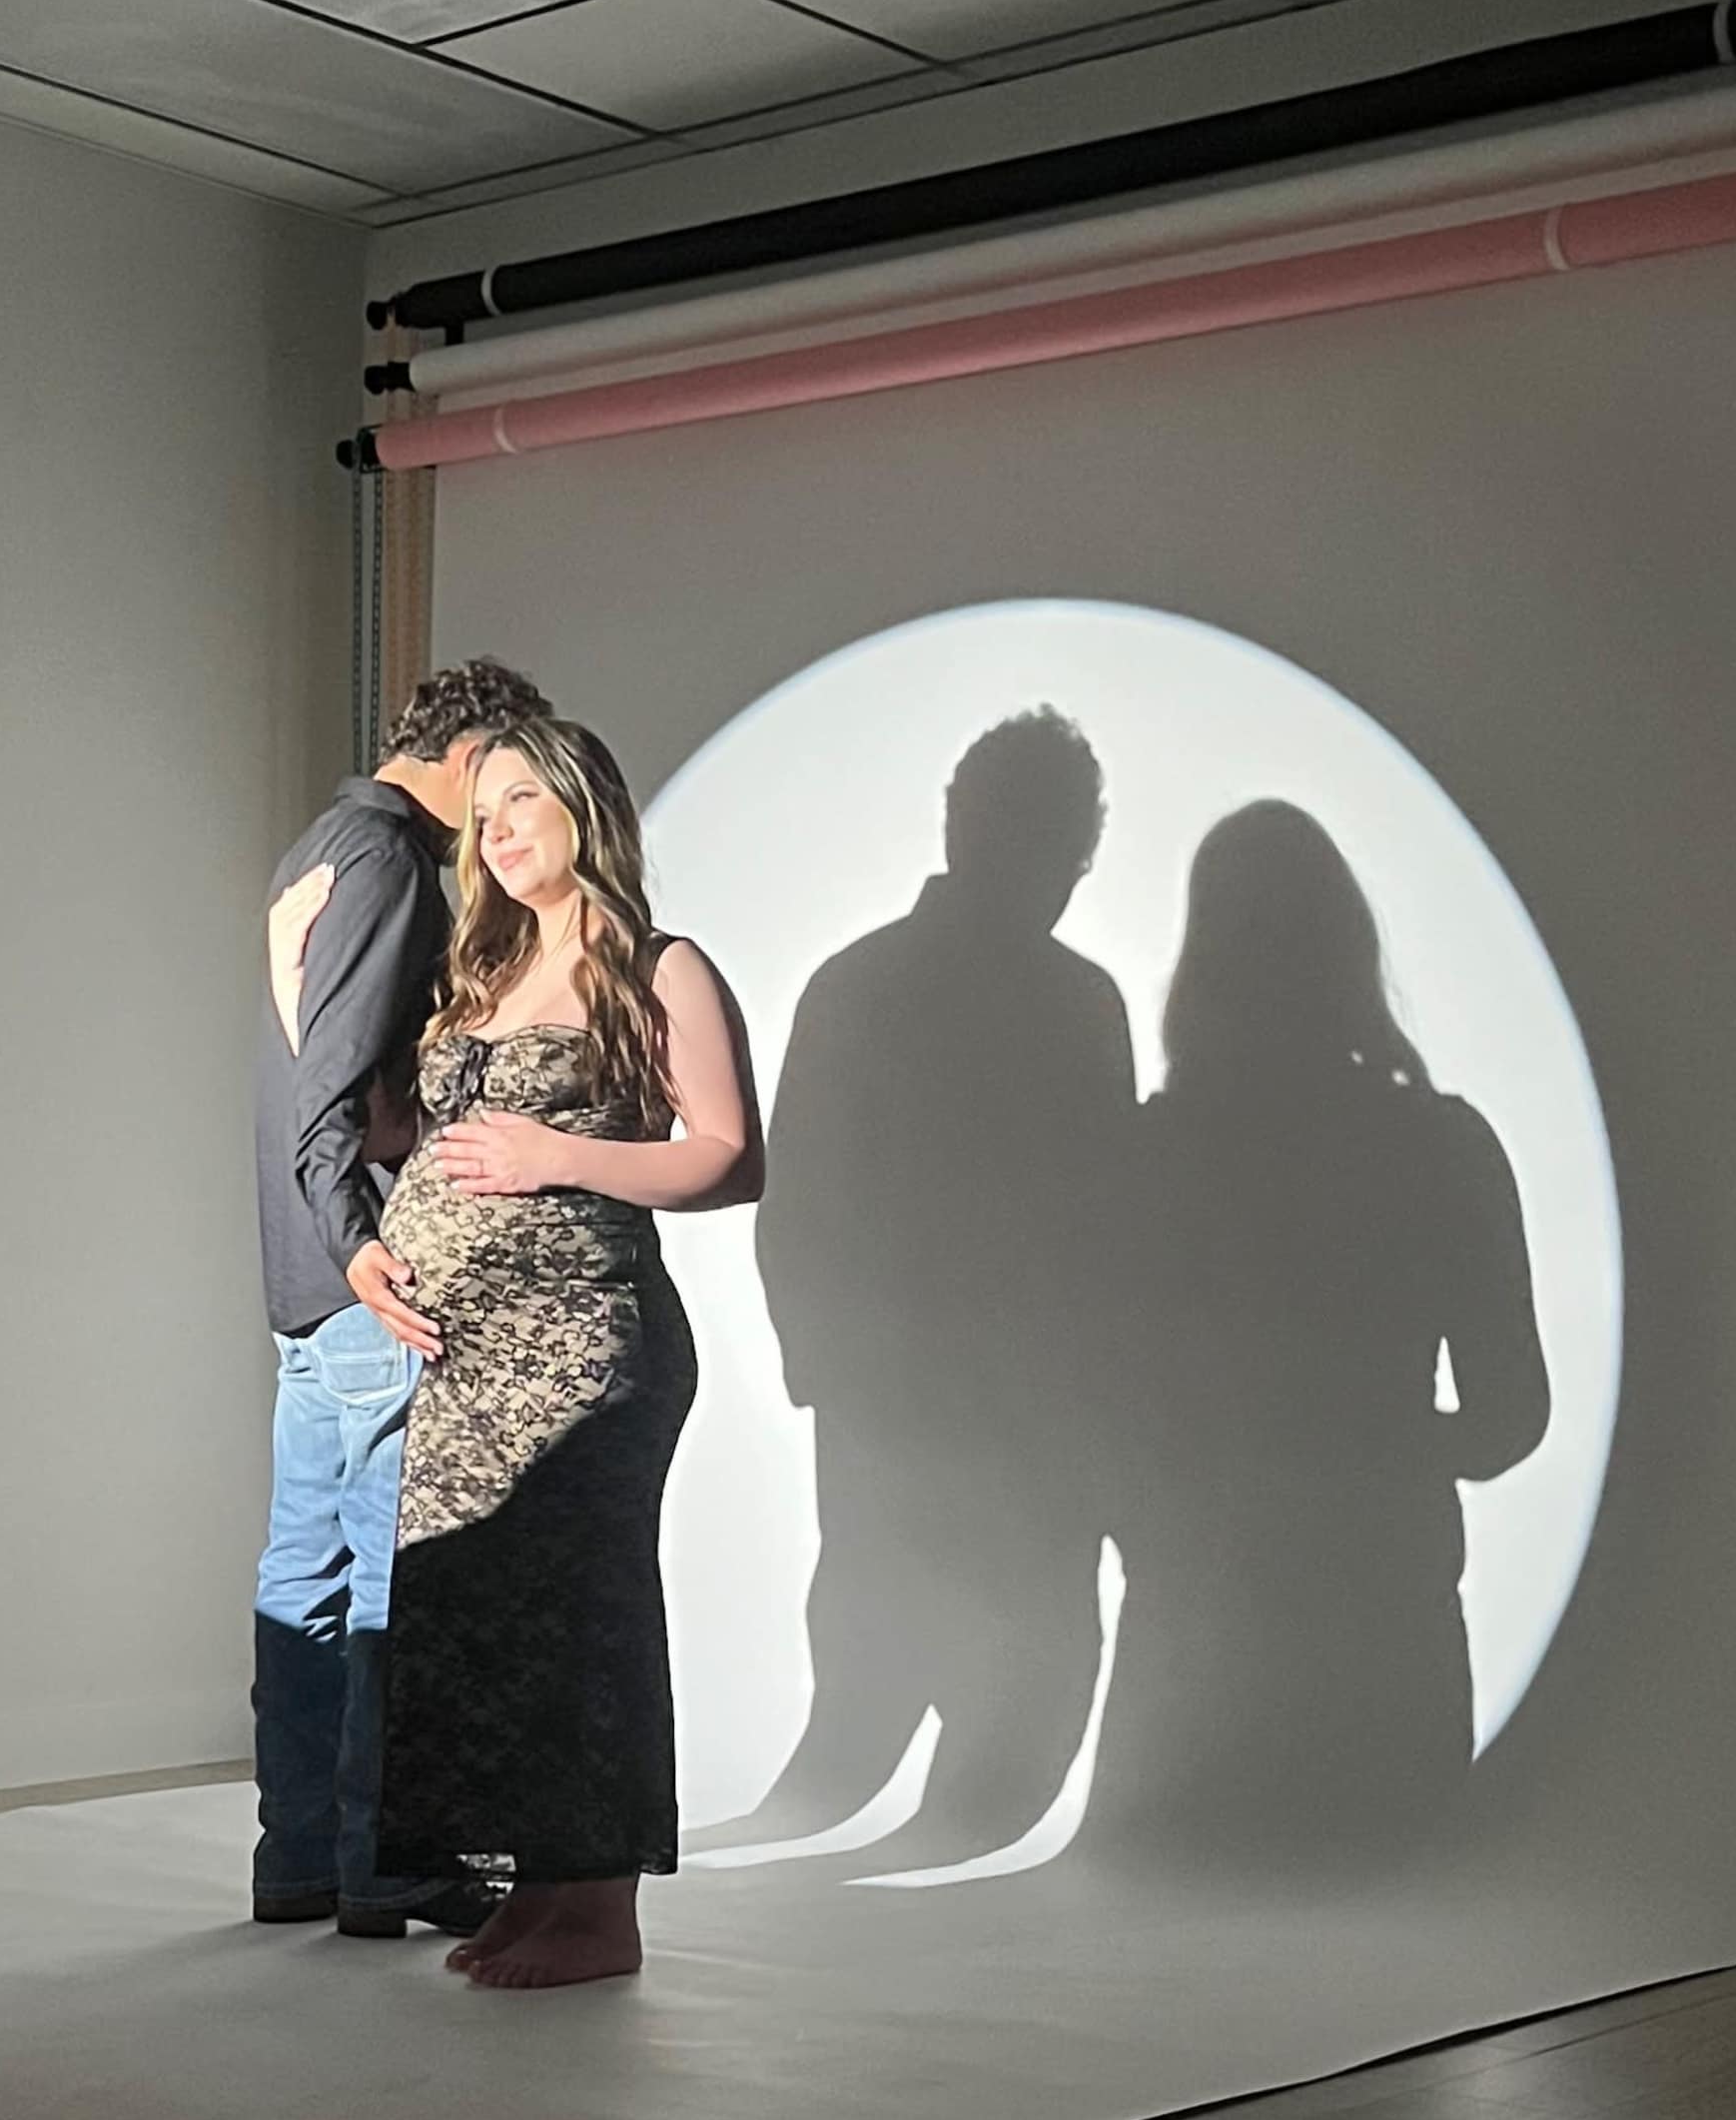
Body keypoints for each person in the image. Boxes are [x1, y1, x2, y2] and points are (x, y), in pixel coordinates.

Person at [368, 713, 760, 1989]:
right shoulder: (483, 974)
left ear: (585, 806)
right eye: (484, 813)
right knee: (487, 1619)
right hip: (466, 1359)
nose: (501, 829)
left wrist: (559, 1157)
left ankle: (602, 1910)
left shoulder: (659, 965)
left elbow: (727, 1154)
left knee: (580, 1622)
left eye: (525, 799)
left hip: (587, 1348)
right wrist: (377, 1251)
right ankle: (539, 1891)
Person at [1088, 799, 1547, 1866]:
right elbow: (1511, 1415)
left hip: (1193, 1633)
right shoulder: (1442, 1145)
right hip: (1385, 1625)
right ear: (1350, 952)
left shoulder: (1148, 1153)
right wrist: (1374, 1440)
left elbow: (1094, 1398)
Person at [727, 709, 1137, 1860]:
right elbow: (1108, 1229)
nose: (1057, 875)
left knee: (877, 1706)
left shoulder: (860, 986)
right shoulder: (1076, 1003)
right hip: (1013, 1416)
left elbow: (795, 1204)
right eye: (1060, 848)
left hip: (910, 1407)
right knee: (999, 1724)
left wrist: (833, 1373)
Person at [250, 655, 544, 1936]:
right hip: (366, 1267)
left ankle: (303, 1857)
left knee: (305, 1567)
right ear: (473, 754)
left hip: (310, 1274)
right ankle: (380, 1859)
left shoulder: (318, 846)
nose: (507, 821)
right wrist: (364, 1238)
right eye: (511, 785)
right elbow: (330, 1083)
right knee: (385, 1573)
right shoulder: (384, 861)